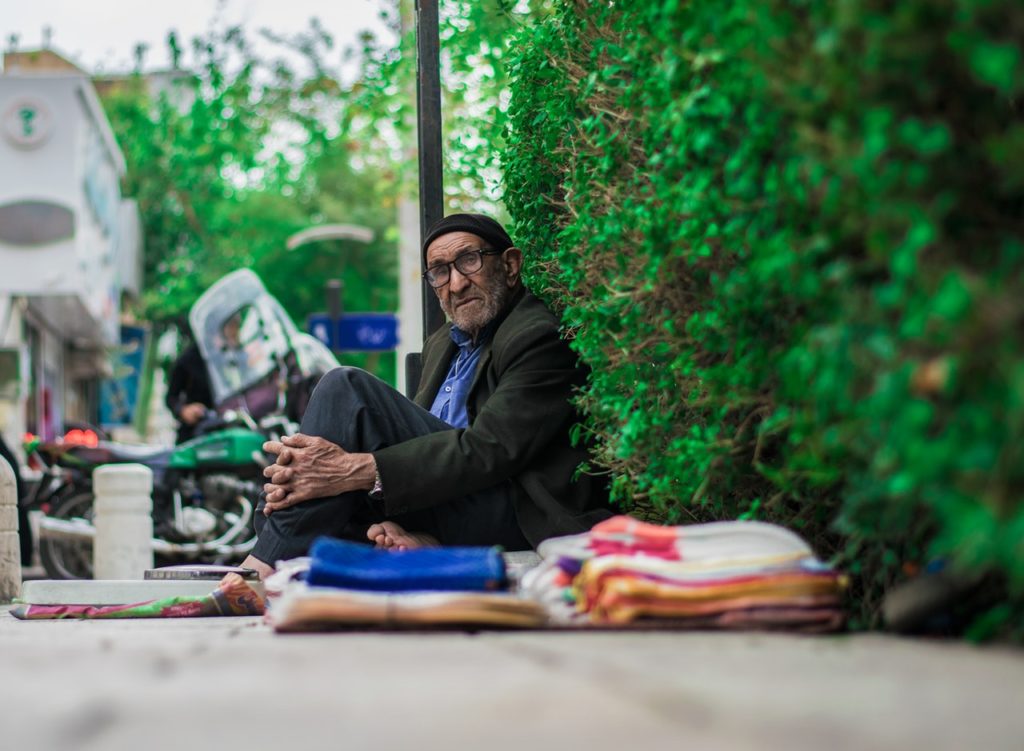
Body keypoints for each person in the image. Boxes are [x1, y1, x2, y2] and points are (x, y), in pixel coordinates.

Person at [241, 214, 611, 579]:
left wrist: (356, 469)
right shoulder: (441, 345)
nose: (456, 283)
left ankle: (257, 572)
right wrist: (331, 473)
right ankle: (289, 558)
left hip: (516, 513)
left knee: (346, 390)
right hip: (450, 499)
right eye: (439, 271)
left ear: (510, 265)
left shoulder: (537, 336)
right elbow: (423, 447)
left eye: (469, 260)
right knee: (302, 471)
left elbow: (489, 451)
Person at [165, 336, 214, 444]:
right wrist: (183, 410)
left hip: (226, 423)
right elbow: (171, 398)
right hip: (196, 430)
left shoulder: (230, 355)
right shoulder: (189, 358)